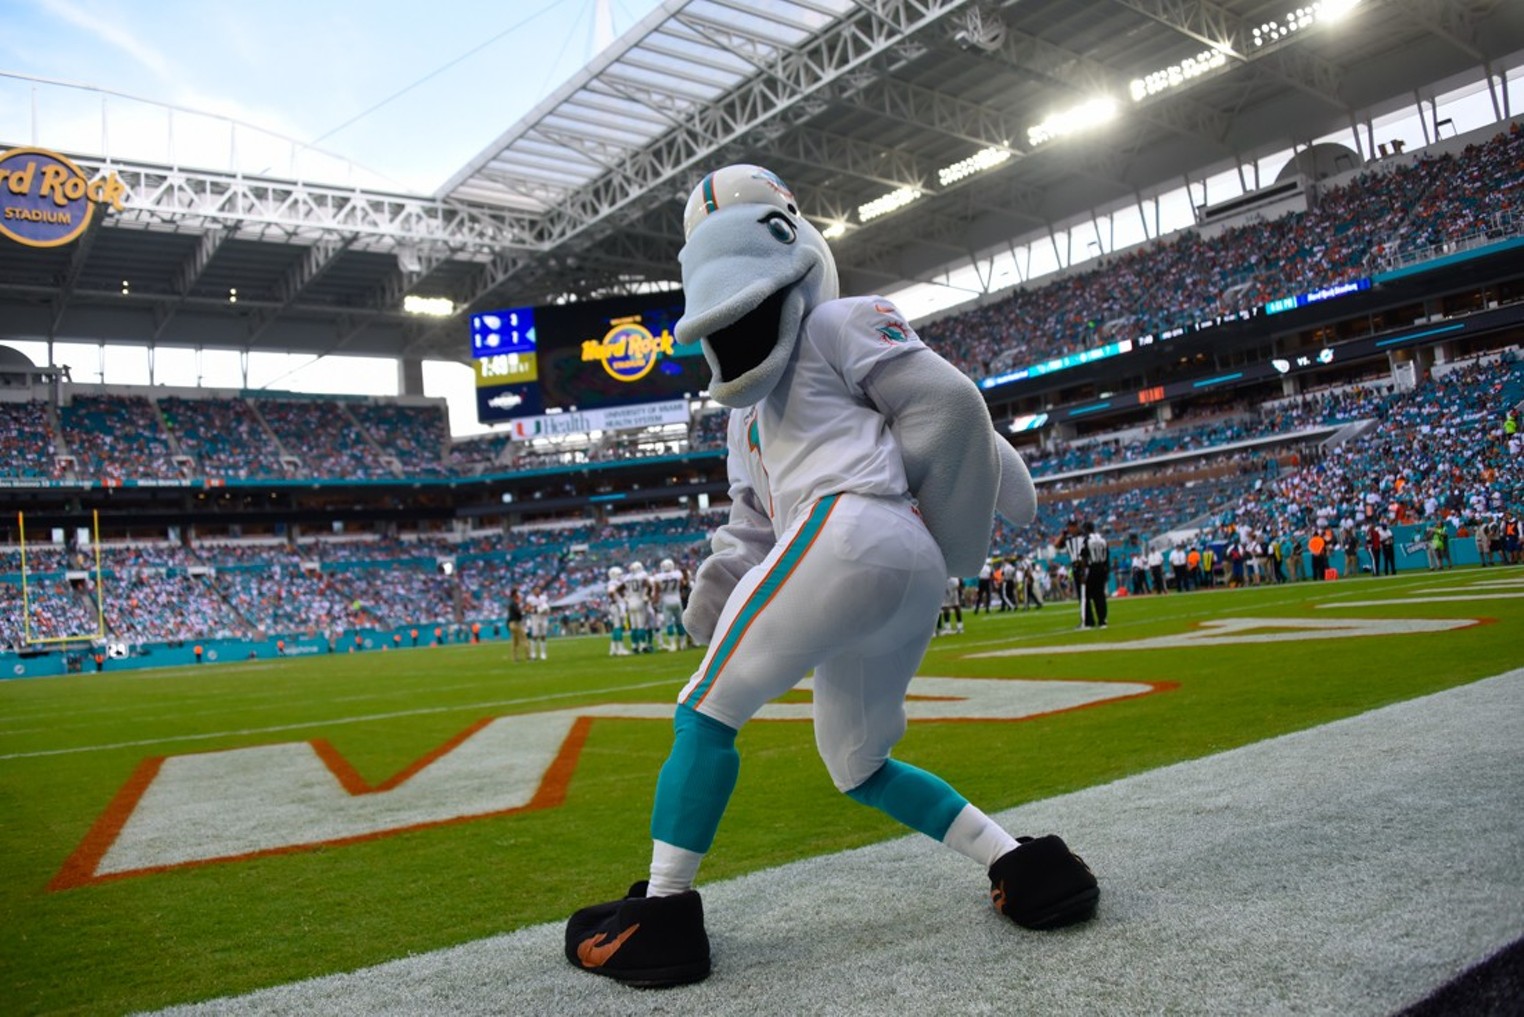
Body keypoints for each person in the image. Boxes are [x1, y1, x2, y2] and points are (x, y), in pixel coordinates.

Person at [565, 164, 1096, 989]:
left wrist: (956, 535)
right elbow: (753, 527)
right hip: (905, 567)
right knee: (858, 760)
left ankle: (663, 911)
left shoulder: (836, 323)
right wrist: (720, 590)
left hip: (847, 527)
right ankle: (1025, 864)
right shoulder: (753, 413)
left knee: (705, 712)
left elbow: (950, 407)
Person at [1081, 521, 1109, 628]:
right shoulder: (1103, 539)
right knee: (1100, 595)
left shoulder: (1087, 540)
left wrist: (1083, 573)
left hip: (1092, 568)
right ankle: (1102, 619)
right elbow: (1107, 556)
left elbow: (1084, 557)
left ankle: (1090, 620)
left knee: (1087, 596)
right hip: (1102, 567)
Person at [507, 589, 528, 662]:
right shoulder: (513, 604)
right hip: (516, 623)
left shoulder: (511, 604)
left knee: (515, 641)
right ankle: (528, 656)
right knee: (524, 639)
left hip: (511, 624)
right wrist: (525, 610)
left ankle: (515, 658)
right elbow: (519, 613)